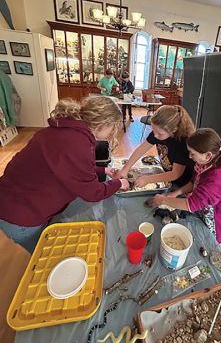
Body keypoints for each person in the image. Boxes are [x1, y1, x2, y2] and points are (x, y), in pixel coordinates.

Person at [0, 96, 129, 252]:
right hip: (22, 214)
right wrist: (118, 184)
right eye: (112, 129)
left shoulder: (65, 130)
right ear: (104, 124)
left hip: (11, 198)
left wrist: (103, 170)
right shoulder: (78, 143)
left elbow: (65, 167)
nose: (111, 134)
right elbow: (92, 192)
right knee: (37, 259)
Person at [150, 128, 221, 244]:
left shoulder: (217, 178)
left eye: (192, 153)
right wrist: (176, 193)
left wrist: (163, 200)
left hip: (214, 226)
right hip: (200, 213)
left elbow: (190, 204)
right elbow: (193, 183)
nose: (190, 157)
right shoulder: (204, 163)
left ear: (208, 155)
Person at [116, 105, 195, 188]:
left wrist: (147, 179)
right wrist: (125, 169)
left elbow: (175, 174)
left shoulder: (182, 143)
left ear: (174, 130)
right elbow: (140, 150)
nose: (155, 136)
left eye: (160, 133)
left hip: (182, 184)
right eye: (153, 130)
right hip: (167, 176)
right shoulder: (157, 133)